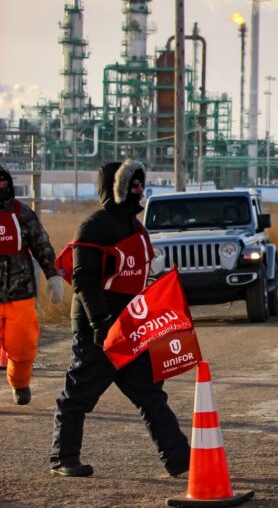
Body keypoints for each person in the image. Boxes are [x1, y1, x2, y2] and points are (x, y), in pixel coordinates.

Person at [50, 159, 190, 478]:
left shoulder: (137, 229)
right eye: (132, 184)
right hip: (97, 330)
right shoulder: (94, 226)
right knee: (77, 396)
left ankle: (180, 459)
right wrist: (100, 324)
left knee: (150, 394)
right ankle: (63, 458)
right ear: (116, 187)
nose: (139, 190)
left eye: (141, 184)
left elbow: (142, 279)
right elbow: (84, 280)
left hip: (131, 329)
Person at [0, 164, 63, 405]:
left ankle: (20, 383)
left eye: (3, 180)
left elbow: (41, 244)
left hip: (21, 294)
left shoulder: (22, 213)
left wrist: (53, 275)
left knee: (23, 346)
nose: (1, 185)